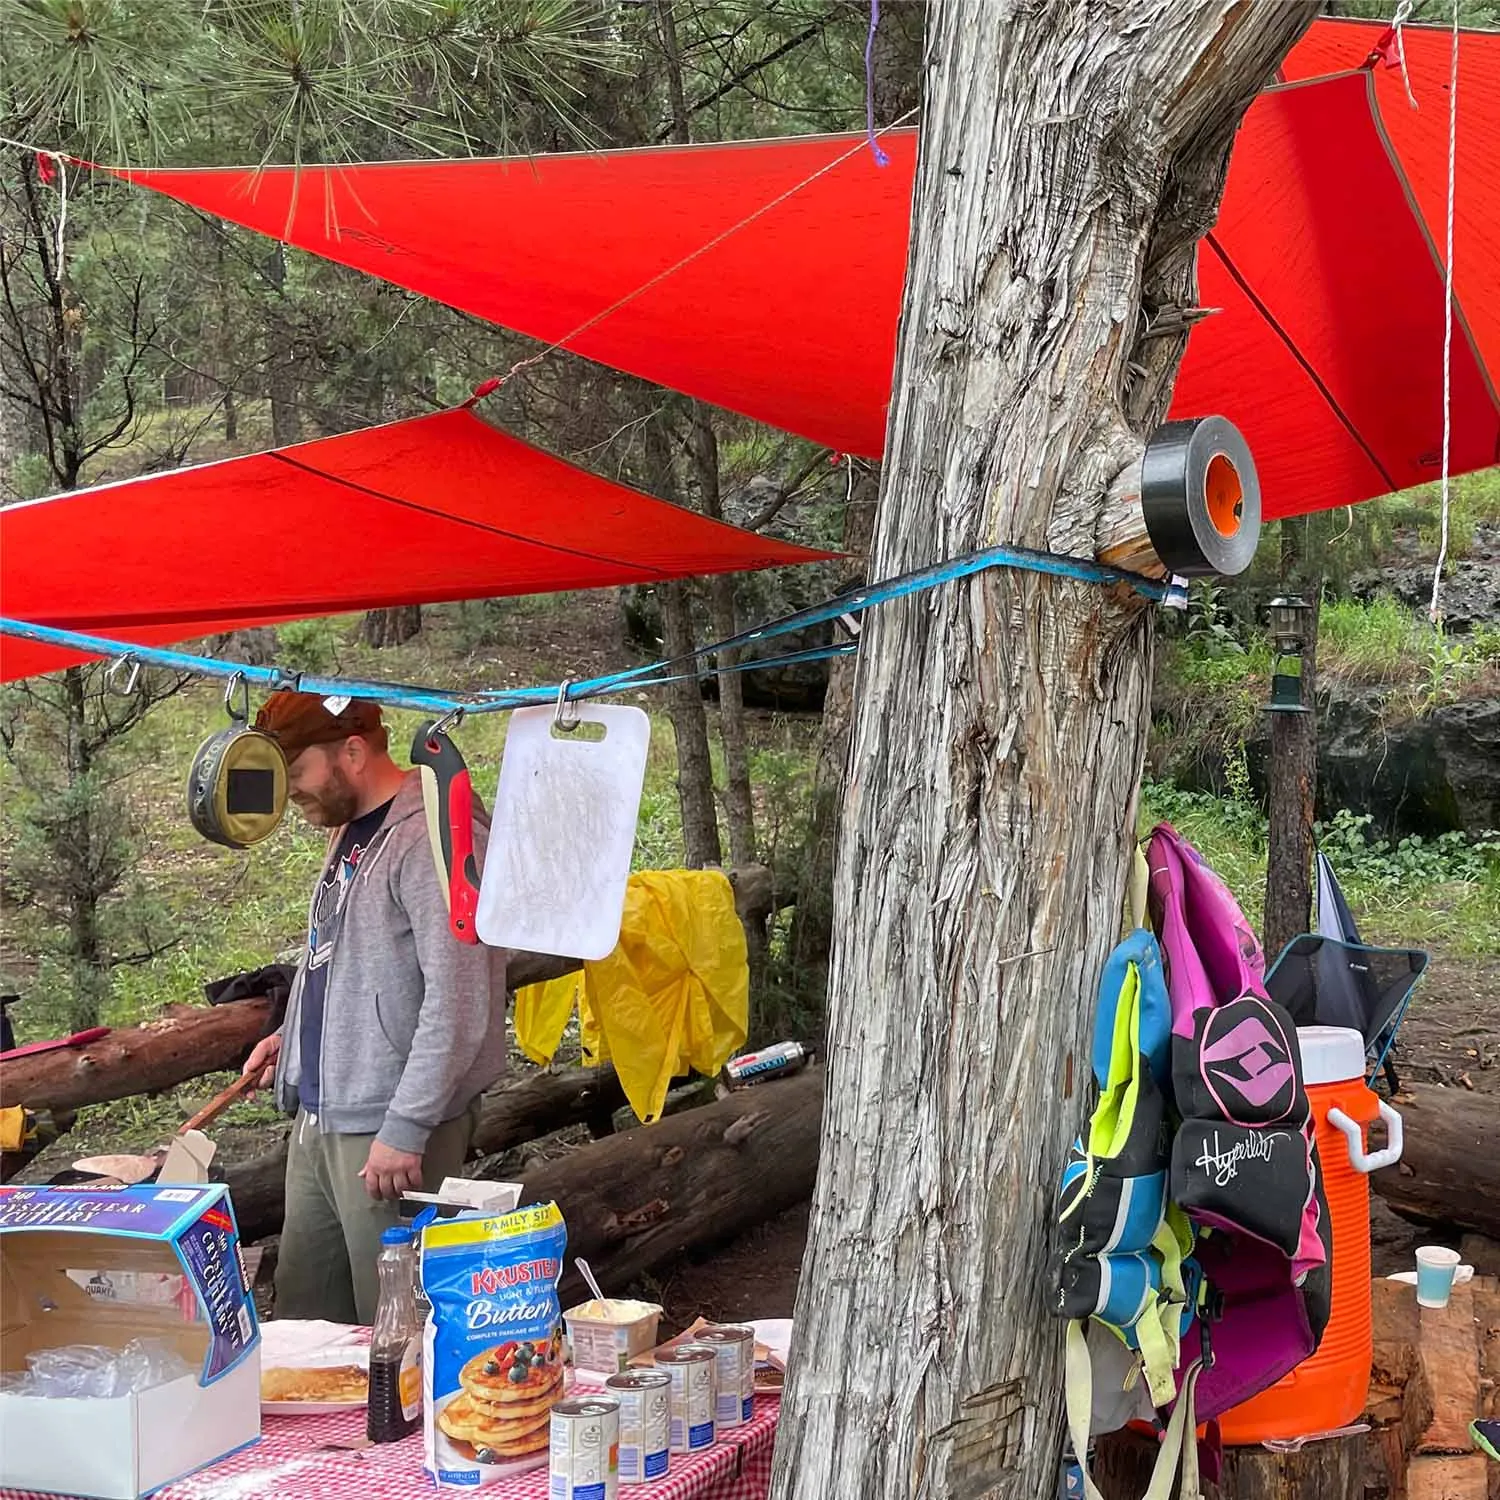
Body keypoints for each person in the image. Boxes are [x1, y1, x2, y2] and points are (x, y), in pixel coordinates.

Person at [240, 691, 507, 1324]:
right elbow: (336, 955)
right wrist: (296, 1041)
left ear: (353, 753)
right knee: (308, 1327)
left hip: (389, 1130)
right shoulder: (350, 828)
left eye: (296, 772)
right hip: (323, 1118)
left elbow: (460, 997)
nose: (290, 793)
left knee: (397, 1336)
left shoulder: (432, 840)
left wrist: (406, 1126)